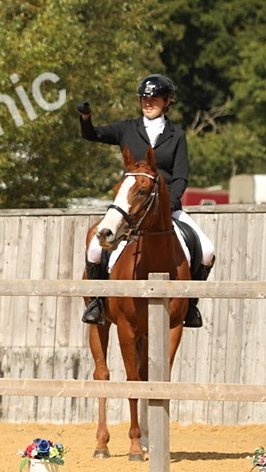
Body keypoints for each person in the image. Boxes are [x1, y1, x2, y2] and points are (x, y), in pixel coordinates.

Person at [77, 74, 215, 327]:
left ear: (166, 102)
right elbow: (92, 135)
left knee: (206, 251)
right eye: (144, 98)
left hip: (167, 209)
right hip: (132, 207)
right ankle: (97, 301)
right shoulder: (127, 128)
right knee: (96, 247)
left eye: (154, 99)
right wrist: (86, 118)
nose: (148, 102)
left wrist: (170, 204)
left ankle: (190, 304)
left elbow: (181, 176)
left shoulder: (177, 135)